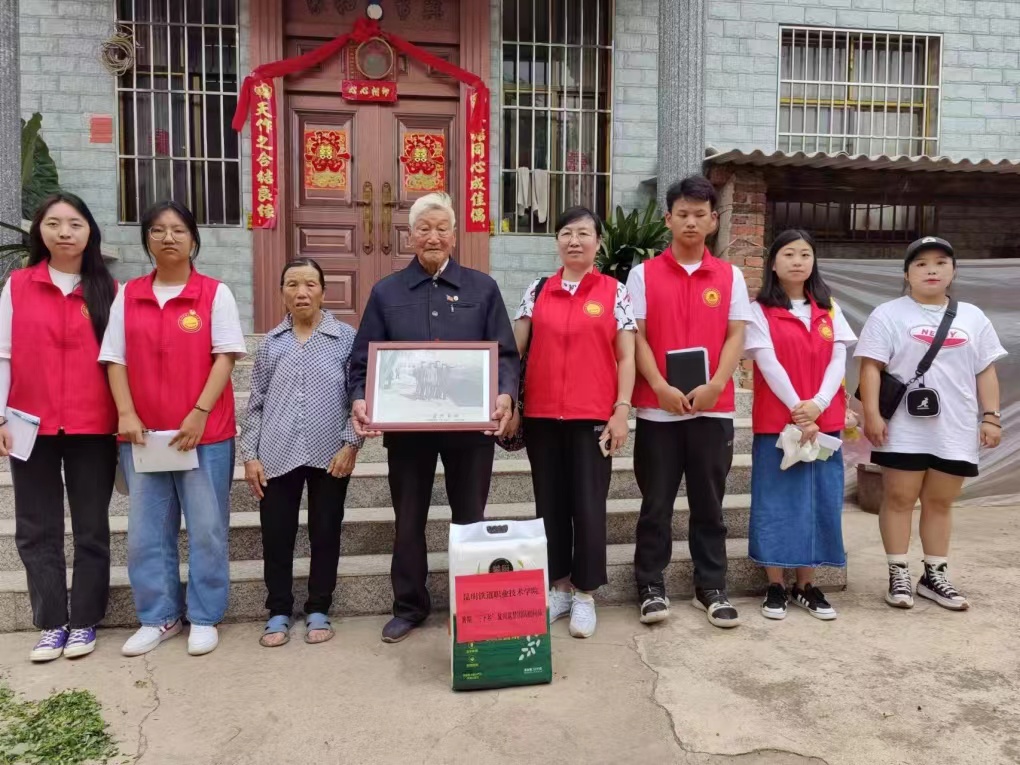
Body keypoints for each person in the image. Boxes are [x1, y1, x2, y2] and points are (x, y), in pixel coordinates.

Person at [350, 192, 519, 644]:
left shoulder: (483, 289)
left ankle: (472, 605)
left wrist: (505, 395)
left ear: (455, 236)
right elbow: (363, 361)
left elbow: (505, 354)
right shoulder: (386, 292)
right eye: (424, 228)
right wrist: (361, 399)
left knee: (471, 517)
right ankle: (409, 606)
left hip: (470, 430)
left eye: (442, 228)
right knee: (408, 520)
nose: (433, 236)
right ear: (410, 236)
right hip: (409, 433)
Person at [100, 201, 246, 657]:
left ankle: (204, 615)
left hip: (205, 434)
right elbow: (115, 359)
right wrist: (126, 413)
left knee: (207, 529)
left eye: (178, 230)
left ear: (193, 238)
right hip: (144, 436)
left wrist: (199, 413)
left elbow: (225, 356)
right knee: (147, 531)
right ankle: (159, 616)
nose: (168, 237)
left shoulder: (214, 293)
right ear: (146, 238)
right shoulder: (128, 295)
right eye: (158, 230)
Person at [626, 175, 753, 628]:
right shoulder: (642, 275)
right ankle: (650, 585)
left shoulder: (730, 276)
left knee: (709, 504)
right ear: (668, 219)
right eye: (683, 214)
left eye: (700, 214)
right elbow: (636, 336)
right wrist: (659, 385)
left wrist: (718, 384)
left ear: (714, 220)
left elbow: (736, 334)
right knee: (655, 504)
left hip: (712, 409)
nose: (691, 222)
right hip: (657, 410)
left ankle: (711, 587)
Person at [856, 236, 1005, 611]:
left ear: (953, 271)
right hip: (902, 426)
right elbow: (871, 367)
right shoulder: (888, 314)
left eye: (940, 262)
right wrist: (872, 414)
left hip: (955, 426)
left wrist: (991, 416)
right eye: (921, 264)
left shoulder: (973, 317)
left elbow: (985, 370)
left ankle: (934, 576)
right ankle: (898, 574)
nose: (931, 270)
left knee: (940, 501)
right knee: (899, 498)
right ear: (907, 274)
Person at [509, 206, 636, 639]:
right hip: (543, 416)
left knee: (588, 507)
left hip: (592, 418)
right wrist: (508, 398)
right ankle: (559, 588)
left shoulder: (615, 292)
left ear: (598, 242)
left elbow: (627, 356)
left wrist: (621, 410)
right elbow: (515, 349)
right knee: (550, 506)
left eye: (584, 233)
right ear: (557, 241)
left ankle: (585, 594)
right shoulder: (537, 290)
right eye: (566, 233)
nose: (574, 241)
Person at [0, 194, 117, 662]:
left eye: (75, 223)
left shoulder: (109, 289)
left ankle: (85, 619)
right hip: (30, 424)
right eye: (54, 223)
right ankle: (52, 622)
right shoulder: (18, 285)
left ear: (90, 231)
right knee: (35, 527)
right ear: (40, 231)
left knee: (92, 527)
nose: (64, 232)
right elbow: (3, 354)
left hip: (93, 426)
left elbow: (120, 361)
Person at [241, 258, 362, 647]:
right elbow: (256, 403)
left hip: (331, 453)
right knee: (277, 535)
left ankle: (319, 608)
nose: (301, 292)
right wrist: (250, 455)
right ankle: (278, 610)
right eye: (292, 285)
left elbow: (359, 398)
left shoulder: (345, 339)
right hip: (276, 453)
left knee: (325, 532)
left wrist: (351, 443)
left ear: (323, 292)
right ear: (282, 293)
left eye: (310, 284)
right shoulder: (271, 344)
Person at [745, 230, 856, 621]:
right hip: (778, 424)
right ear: (773, 263)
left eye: (805, 254)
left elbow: (838, 358)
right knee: (776, 501)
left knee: (818, 498)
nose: (797, 261)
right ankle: (775, 584)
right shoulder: (758, 310)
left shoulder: (829, 308)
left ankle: (806, 585)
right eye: (789, 254)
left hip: (823, 423)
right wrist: (798, 408)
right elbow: (767, 361)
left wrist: (818, 405)